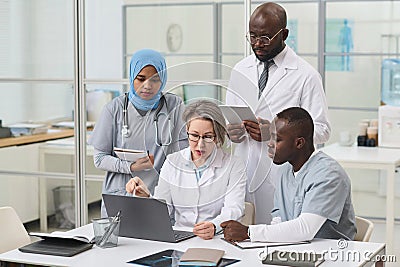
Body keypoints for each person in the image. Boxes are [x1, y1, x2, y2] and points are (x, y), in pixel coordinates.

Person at [225, 2, 331, 224]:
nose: (257, 44)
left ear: (284, 34)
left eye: (265, 38)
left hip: (281, 176)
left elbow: (322, 130)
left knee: (278, 243)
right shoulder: (239, 70)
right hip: (242, 172)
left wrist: (274, 132)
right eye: (252, 36)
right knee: (240, 238)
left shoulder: (306, 75)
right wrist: (231, 132)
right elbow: (231, 119)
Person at [221, 107, 356, 242]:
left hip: (332, 254)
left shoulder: (329, 174)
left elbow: (305, 229)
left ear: (299, 143)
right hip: (296, 250)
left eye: (277, 139)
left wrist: (249, 232)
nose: (269, 144)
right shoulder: (285, 170)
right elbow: (279, 219)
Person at [126, 100, 246, 240]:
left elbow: (234, 208)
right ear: (187, 131)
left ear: (218, 136)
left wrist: (214, 225)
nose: (200, 145)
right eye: (194, 135)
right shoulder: (172, 161)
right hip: (179, 237)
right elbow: (163, 210)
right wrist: (145, 197)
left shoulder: (234, 165)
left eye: (207, 137)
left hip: (216, 238)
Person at [89, 49, 188, 217]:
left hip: (159, 195)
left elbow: (185, 152)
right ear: (132, 76)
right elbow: (99, 159)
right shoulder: (115, 109)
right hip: (122, 196)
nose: (147, 86)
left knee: (160, 241)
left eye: (155, 80)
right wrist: (130, 167)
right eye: (141, 78)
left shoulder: (173, 105)